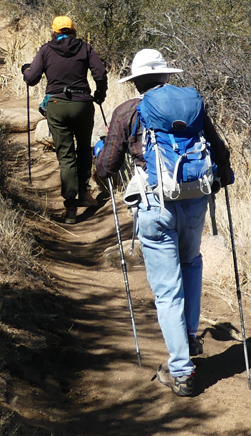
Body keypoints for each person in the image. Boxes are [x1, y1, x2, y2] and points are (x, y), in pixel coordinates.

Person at [94, 48, 233, 397]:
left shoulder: (128, 111)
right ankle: (187, 336)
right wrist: (222, 179)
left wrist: (102, 160)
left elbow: (106, 166)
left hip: (155, 206)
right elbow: (220, 151)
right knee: (192, 264)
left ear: (136, 81)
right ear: (167, 76)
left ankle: (182, 371)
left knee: (167, 290)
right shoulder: (192, 106)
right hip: (194, 200)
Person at [23, 16, 108, 224]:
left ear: (53, 31)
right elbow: (100, 73)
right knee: (84, 150)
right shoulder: (85, 48)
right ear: (73, 30)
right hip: (82, 104)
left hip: (57, 106)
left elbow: (32, 79)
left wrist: (26, 70)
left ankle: (71, 208)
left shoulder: (46, 50)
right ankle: (85, 193)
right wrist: (100, 94)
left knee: (66, 156)